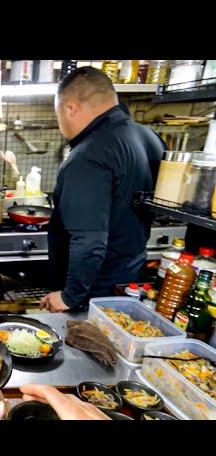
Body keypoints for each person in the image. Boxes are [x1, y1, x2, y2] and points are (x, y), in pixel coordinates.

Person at [40, 67, 164, 313]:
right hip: (127, 284)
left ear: (70, 108)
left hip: (92, 296)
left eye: (58, 114)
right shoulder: (149, 137)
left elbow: (89, 240)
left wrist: (69, 296)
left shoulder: (88, 155)